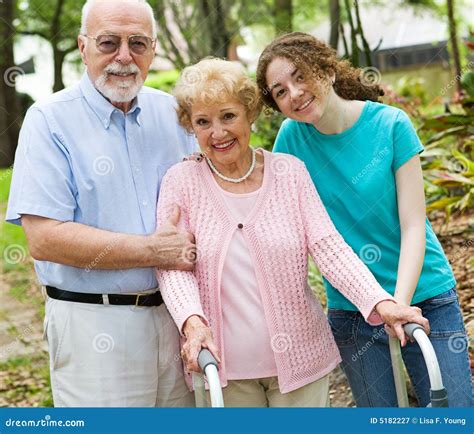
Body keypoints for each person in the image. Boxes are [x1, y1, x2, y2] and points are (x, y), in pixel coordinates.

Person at [155, 58, 429, 408]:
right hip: (220, 369)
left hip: (301, 366)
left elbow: (329, 248)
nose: (218, 132)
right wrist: (193, 324)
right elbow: (173, 267)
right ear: (190, 127)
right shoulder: (181, 182)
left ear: (249, 113)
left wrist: (381, 302)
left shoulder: (289, 173)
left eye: (228, 116)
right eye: (203, 122)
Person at [256, 32, 472, 407]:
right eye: (279, 91)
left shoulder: (390, 125)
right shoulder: (290, 139)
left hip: (424, 294)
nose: (293, 93)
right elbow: (277, 221)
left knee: (454, 412)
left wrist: (398, 304)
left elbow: (412, 225)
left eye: (299, 76)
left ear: (326, 69)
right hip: (353, 308)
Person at [6, 0, 196, 407]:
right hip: (95, 326)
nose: (124, 57)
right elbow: (45, 239)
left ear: (154, 49)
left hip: (178, 320)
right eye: (109, 42)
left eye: (138, 43)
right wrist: (153, 251)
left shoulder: (175, 115)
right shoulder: (48, 121)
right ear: (83, 46)